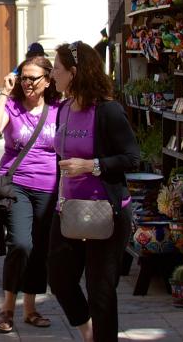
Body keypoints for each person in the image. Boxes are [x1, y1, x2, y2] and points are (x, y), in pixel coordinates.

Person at [47, 41, 139, 342]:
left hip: (106, 211)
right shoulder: (63, 109)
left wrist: (91, 165)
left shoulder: (108, 111)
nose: (53, 75)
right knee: (60, 279)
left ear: (74, 72)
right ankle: (89, 332)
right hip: (69, 210)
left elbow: (132, 158)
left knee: (101, 291)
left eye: (57, 69)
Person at [0, 56, 61, 333]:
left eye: (33, 78)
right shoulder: (13, 106)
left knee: (40, 247)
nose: (27, 83)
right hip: (16, 184)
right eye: (23, 77)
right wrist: (4, 93)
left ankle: (30, 308)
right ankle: (7, 307)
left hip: (49, 186)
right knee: (20, 244)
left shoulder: (58, 109)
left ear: (48, 80)